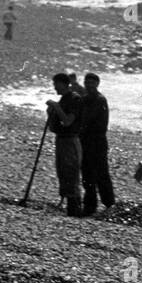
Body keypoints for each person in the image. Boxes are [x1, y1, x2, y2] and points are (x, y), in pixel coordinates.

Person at [46, 73, 84, 215]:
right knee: (62, 171)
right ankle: (69, 203)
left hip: (71, 140)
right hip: (61, 140)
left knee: (71, 171)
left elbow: (68, 121)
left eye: (56, 84)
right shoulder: (62, 100)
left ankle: (75, 207)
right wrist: (50, 114)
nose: (55, 87)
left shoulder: (75, 99)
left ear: (64, 84)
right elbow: (53, 127)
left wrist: (56, 107)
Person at [79, 73, 115, 215]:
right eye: (87, 83)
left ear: (97, 84)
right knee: (87, 174)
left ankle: (109, 204)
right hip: (85, 141)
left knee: (101, 173)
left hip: (97, 142)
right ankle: (90, 205)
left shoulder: (100, 100)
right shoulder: (84, 99)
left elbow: (87, 119)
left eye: (92, 83)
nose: (89, 85)